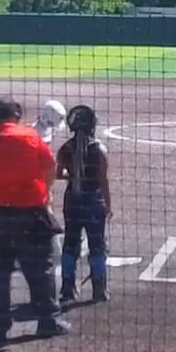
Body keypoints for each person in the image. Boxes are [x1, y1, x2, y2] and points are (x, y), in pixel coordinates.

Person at [0, 98, 67, 342]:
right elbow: (50, 166)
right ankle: (48, 321)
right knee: (40, 269)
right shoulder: (31, 138)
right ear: (17, 117)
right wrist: (46, 192)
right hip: (30, 214)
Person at [57, 104, 113, 305]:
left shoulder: (65, 149)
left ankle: (67, 288)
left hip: (72, 201)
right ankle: (99, 289)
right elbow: (103, 181)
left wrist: (74, 175)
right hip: (94, 202)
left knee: (70, 244)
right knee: (97, 246)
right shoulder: (99, 150)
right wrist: (108, 206)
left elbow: (59, 173)